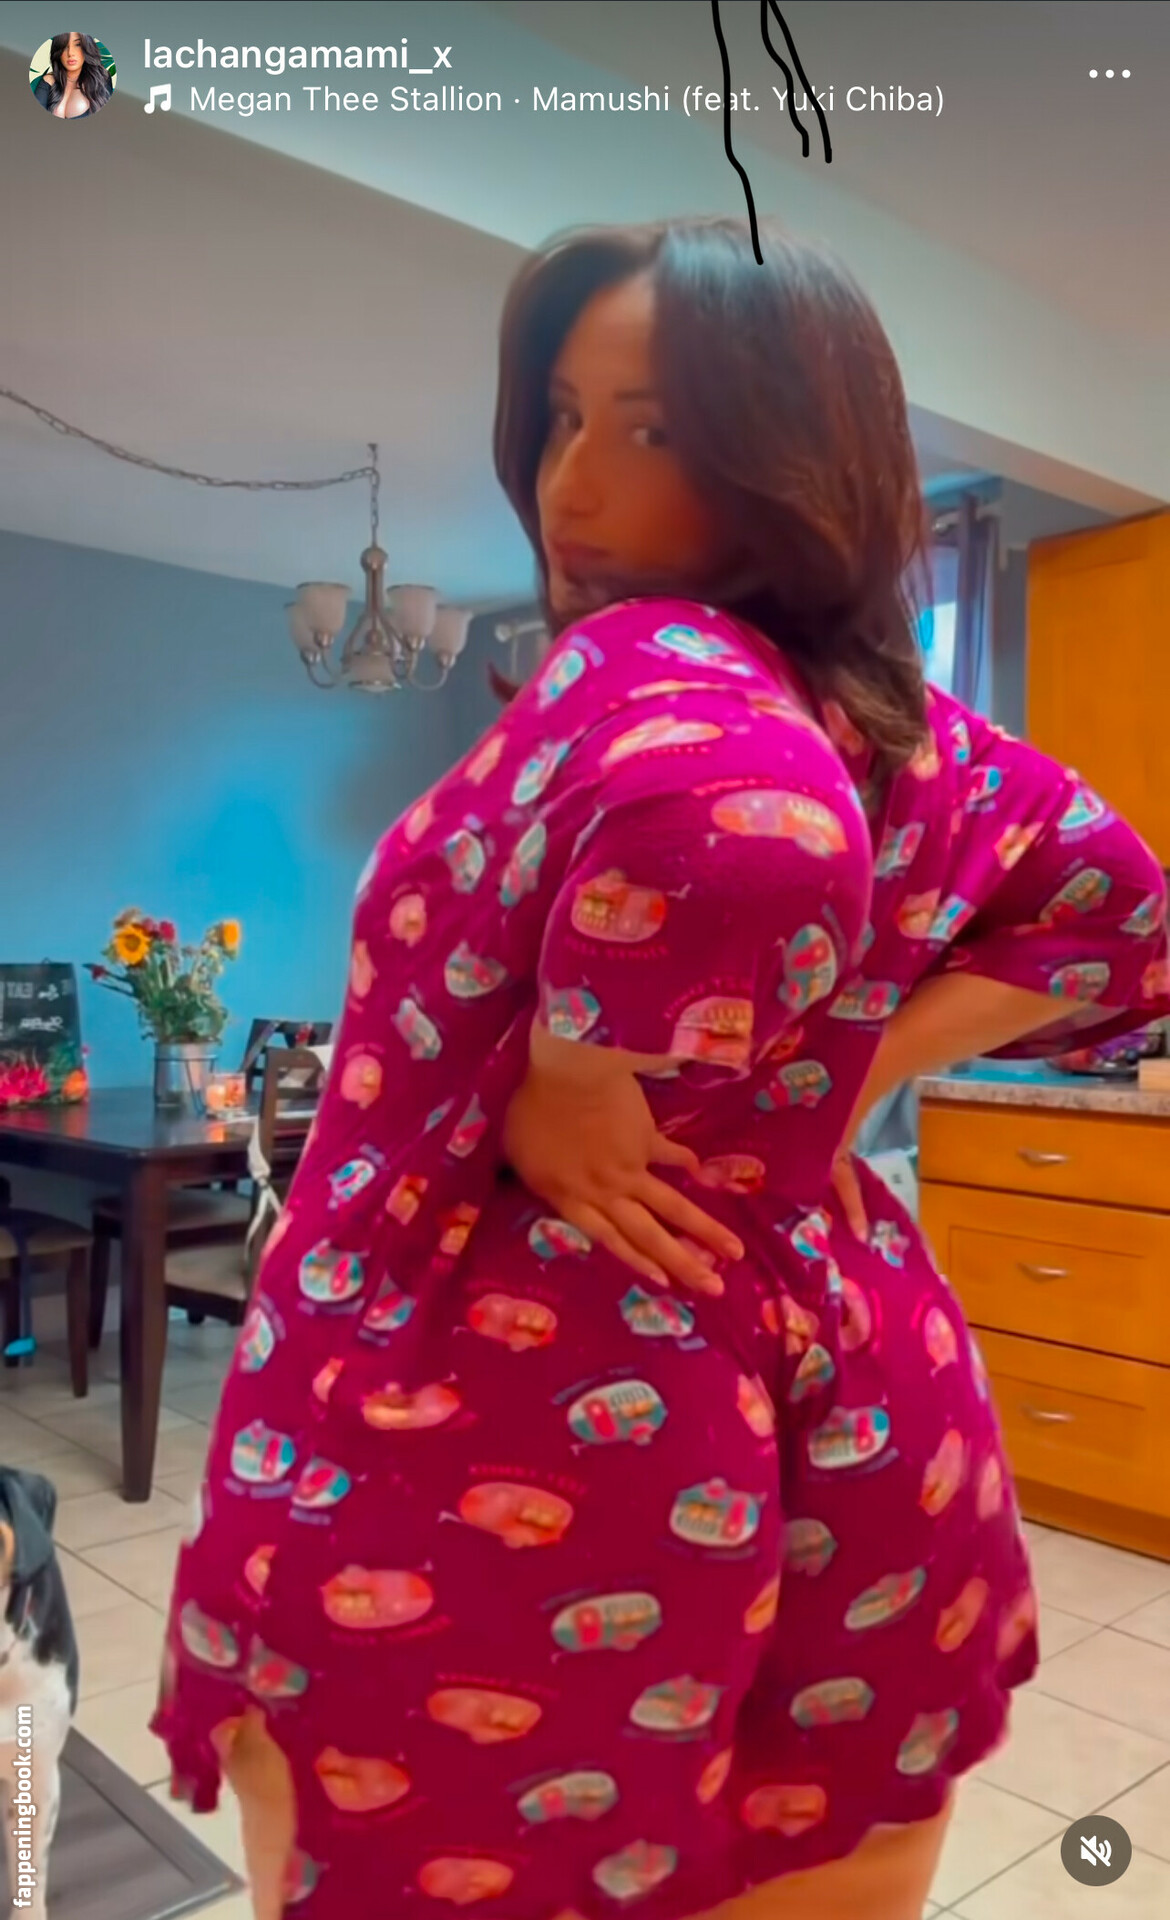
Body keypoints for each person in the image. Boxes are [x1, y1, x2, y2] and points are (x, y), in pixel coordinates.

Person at [152, 217, 1170, 1920]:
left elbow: (748, 829)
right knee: (813, 1837)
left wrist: (576, 1052)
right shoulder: (917, 730)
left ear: (793, 455)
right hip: (845, 1380)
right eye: (562, 418)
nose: (572, 484)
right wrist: (849, 1064)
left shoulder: (649, 657)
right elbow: (1124, 916)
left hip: (531, 1415)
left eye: (653, 430)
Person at [31, 32, 111, 119]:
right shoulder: (48, 81)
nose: (70, 53)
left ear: (87, 47)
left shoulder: (101, 79)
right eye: (64, 46)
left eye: (77, 45)